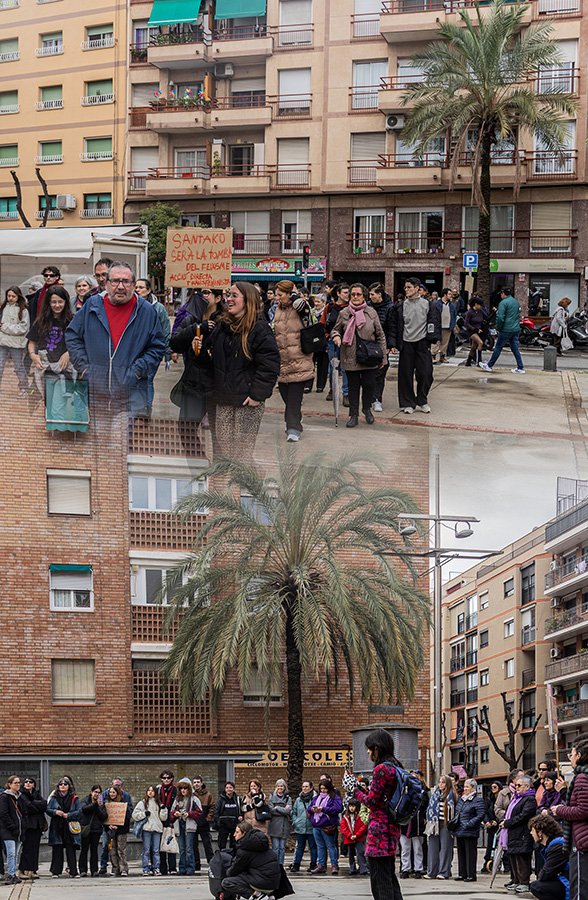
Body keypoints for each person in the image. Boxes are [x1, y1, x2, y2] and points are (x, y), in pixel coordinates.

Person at [66, 261, 165, 416]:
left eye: (125, 281)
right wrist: (84, 368)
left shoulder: (146, 311)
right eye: (115, 281)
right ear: (106, 283)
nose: (120, 286)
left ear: (133, 284)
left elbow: (157, 347)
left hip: (130, 395)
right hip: (96, 394)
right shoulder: (92, 306)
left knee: (125, 438)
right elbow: (72, 335)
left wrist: (137, 371)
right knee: (98, 438)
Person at [197, 282, 280, 462]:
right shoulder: (221, 325)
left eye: (234, 296)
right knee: (224, 452)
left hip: (246, 401)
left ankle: (252, 487)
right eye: (228, 295)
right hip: (222, 399)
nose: (229, 299)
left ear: (248, 300)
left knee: (241, 455)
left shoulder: (260, 328)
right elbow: (211, 358)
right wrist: (200, 348)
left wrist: (257, 395)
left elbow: (270, 364)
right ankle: (227, 489)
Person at [342, 728, 403, 899]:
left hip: (379, 832)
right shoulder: (396, 766)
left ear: (377, 748)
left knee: (380, 881)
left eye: (369, 748)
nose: (368, 752)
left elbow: (372, 801)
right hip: (391, 828)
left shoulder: (381, 769)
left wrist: (353, 789)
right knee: (390, 877)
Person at [331, 283, 387, 429]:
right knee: (353, 387)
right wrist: (336, 336)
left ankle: (366, 408)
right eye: (353, 294)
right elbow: (335, 330)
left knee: (369, 385)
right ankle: (353, 414)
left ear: (364, 296)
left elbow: (380, 335)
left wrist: (383, 357)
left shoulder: (371, 312)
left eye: (358, 294)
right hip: (350, 356)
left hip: (369, 357)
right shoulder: (344, 313)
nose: (355, 297)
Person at [390, 277, 440, 414]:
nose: (406, 290)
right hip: (406, 343)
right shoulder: (400, 306)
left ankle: (422, 400)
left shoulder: (428, 305)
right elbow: (395, 326)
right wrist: (393, 343)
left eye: (409, 287)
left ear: (418, 288)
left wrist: (433, 338)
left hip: (422, 342)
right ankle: (408, 403)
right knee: (405, 375)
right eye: (405, 287)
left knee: (426, 374)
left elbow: (434, 322)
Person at [272, 279, 315, 442]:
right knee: (285, 393)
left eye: (280, 294)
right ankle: (295, 416)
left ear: (290, 294)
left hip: (299, 359)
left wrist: (298, 298)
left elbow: (309, 318)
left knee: (294, 398)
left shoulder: (300, 306)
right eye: (276, 294)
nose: (277, 297)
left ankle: (293, 428)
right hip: (282, 361)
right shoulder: (277, 309)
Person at [549, 736, 588, 900]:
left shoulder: (581, 778)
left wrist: (560, 809)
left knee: (579, 885)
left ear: (579, 755)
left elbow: (583, 810)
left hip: (581, 839)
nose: (569, 758)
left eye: (571, 754)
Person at [221, 820, 282, 900]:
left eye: (237, 832)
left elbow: (233, 871)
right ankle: (269, 896)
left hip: (263, 884)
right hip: (274, 884)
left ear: (244, 833)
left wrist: (226, 871)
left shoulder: (245, 849)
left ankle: (258, 895)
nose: (234, 835)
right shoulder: (262, 844)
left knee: (226, 882)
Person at [499, 772, 537, 893]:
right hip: (513, 833)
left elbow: (523, 816)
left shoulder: (530, 799)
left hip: (522, 834)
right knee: (513, 857)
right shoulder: (516, 799)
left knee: (522, 858)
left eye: (519, 785)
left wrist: (508, 823)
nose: (517, 788)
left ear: (527, 786)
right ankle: (516, 880)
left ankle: (524, 882)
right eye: (516, 785)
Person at [479, 286, 525, 374]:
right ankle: (520, 367)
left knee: (498, 347)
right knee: (515, 348)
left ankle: (489, 365)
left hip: (506, 328)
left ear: (503, 294)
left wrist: (498, 328)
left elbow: (500, 317)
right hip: (515, 328)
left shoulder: (503, 303)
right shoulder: (515, 302)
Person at [135, 277, 171, 381]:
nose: (138, 290)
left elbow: (165, 330)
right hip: (135, 350)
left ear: (149, 290)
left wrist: (167, 353)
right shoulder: (130, 306)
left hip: (152, 350)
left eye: (141, 287)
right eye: (136, 287)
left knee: (147, 380)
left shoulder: (158, 308)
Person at [47, 776, 81, 878]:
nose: (62, 786)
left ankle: (73, 871)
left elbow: (79, 811)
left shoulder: (74, 797)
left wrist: (69, 815)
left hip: (69, 825)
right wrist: (55, 812)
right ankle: (56, 871)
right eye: (60, 784)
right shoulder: (54, 797)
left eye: (65, 784)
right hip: (57, 826)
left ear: (68, 786)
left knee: (71, 849)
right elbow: (47, 809)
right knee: (57, 849)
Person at [452, 778, 486, 883]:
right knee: (461, 853)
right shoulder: (462, 799)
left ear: (473, 788)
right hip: (460, 830)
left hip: (470, 830)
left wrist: (469, 824)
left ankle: (471, 874)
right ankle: (462, 873)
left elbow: (480, 814)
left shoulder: (478, 800)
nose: (465, 789)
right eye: (465, 786)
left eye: (467, 787)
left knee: (470, 853)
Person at [367, 282, 394, 412]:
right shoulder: (367, 306)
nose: (370, 296)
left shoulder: (390, 307)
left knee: (380, 372)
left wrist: (390, 345)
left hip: (382, 345)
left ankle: (377, 399)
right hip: (368, 344)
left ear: (379, 294)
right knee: (369, 373)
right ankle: (369, 398)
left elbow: (391, 328)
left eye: (372, 294)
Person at [424, 773, 457, 880]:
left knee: (445, 849)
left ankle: (443, 872)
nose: (440, 784)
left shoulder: (452, 795)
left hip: (446, 824)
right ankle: (432, 872)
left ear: (447, 783)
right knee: (432, 848)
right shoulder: (434, 794)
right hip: (433, 825)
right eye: (439, 782)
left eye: (443, 782)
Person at [529, 815, 569, 900]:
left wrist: (542, 874)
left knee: (537, 886)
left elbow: (546, 874)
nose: (531, 833)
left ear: (540, 833)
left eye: (532, 830)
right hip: (565, 880)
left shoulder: (557, 845)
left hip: (569, 883)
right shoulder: (550, 845)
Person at [308, 776, 343, 875]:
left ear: (329, 788)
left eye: (325, 788)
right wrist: (313, 809)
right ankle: (321, 865)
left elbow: (338, 808)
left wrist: (323, 809)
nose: (323, 790)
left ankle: (334, 865)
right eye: (321, 788)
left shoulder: (334, 797)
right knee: (320, 846)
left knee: (331, 846)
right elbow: (309, 808)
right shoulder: (316, 798)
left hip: (328, 826)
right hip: (316, 826)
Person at [323, 282, 350, 405]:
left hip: (347, 342)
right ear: (338, 293)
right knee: (332, 367)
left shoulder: (350, 307)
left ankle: (346, 393)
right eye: (345, 292)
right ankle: (332, 390)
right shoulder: (329, 307)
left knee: (345, 368)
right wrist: (327, 336)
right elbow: (323, 323)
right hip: (332, 342)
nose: (348, 295)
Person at [0, 285, 30, 396]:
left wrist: (5, 327)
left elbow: (23, 328)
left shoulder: (23, 310)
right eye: (9, 295)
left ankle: (24, 388)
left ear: (18, 296)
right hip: (2, 343)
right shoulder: (3, 308)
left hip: (16, 344)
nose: (11, 298)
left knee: (18, 367)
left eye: (13, 296)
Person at [399, 772, 429, 879]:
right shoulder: (403, 791)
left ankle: (418, 868)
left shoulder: (423, 792)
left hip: (417, 823)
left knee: (418, 848)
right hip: (405, 823)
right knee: (405, 848)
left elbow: (425, 806)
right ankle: (405, 868)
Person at [132, 784, 165, 876]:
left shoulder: (159, 803)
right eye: (149, 790)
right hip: (147, 828)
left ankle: (156, 868)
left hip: (157, 829)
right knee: (146, 850)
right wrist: (144, 814)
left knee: (156, 850)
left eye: (152, 790)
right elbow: (134, 815)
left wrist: (163, 809)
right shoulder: (142, 803)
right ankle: (145, 868)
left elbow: (163, 818)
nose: (150, 792)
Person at [18, 776, 46, 881]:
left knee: (35, 848)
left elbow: (44, 804)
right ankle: (22, 869)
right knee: (27, 848)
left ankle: (33, 869)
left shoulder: (36, 794)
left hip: (38, 825)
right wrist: (37, 806)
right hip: (28, 825)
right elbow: (28, 806)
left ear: (34, 784)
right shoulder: (22, 794)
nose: (28, 783)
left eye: (31, 782)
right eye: (26, 782)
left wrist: (36, 805)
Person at [171, 778, 201, 876]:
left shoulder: (194, 799)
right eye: (181, 788)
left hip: (190, 825)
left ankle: (190, 868)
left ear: (189, 788)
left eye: (185, 788)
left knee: (189, 848)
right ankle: (182, 868)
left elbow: (199, 812)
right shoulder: (177, 799)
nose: (183, 790)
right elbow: (171, 813)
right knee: (182, 849)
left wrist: (188, 814)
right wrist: (175, 814)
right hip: (179, 825)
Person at [79, 784, 107, 877]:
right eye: (95, 792)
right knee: (84, 850)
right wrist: (95, 805)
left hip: (96, 829)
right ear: (91, 792)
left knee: (94, 850)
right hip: (86, 828)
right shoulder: (85, 800)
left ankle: (94, 870)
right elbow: (84, 809)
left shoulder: (101, 803)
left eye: (99, 793)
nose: (97, 794)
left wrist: (98, 806)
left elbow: (103, 816)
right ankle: (82, 869)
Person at [290, 780, 317, 873]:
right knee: (299, 847)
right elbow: (294, 812)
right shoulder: (298, 800)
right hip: (300, 827)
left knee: (313, 847)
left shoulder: (315, 799)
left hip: (311, 827)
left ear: (311, 787)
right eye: (303, 787)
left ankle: (313, 864)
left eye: (306, 786)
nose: (304, 788)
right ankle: (296, 865)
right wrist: (295, 821)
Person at [0, 776, 23, 886]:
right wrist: (12, 826)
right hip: (8, 830)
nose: (18, 784)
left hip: (18, 831)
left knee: (15, 854)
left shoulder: (19, 797)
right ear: (9, 784)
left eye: (19, 783)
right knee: (11, 853)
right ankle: (10, 874)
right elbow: (3, 814)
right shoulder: (5, 796)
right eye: (15, 783)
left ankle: (13, 874)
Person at [104, 783, 131, 877]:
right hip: (110, 831)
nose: (112, 794)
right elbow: (103, 817)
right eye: (110, 792)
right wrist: (108, 826)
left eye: (113, 792)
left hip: (121, 830)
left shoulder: (123, 803)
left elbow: (128, 816)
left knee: (121, 850)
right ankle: (115, 868)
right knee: (112, 850)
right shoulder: (106, 803)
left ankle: (123, 869)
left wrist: (118, 825)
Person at [191, 776, 214, 872]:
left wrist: (207, 819)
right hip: (193, 823)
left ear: (201, 783)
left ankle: (212, 864)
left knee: (207, 845)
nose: (196, 784)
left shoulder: (208, 795)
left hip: (204, 824)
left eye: (198, 782)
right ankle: (196, 865)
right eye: (194, 782)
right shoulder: (191, 795)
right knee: (193, 845)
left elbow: (212, 807)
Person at [157, 770, 177, 875]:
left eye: (168, 778)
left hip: (171, 821)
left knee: (170, 844)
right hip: (160, 821)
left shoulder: (175, 790)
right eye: (164, 778)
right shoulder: (158, 790)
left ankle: (173, 868)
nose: (166, 780)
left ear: (172, 778)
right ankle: (163, 869)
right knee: (161, 846)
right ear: (161, 779)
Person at [340, 799, 368, 876]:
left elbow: (363, 826)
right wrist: (349, 835)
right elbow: (343, 827)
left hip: (358, 838)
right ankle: (352, 868)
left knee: (360, 853)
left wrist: (356, 835)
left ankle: (363, 868)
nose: (351, 808)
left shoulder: (360, 816)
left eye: (353, 806)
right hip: (349, 838)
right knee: (351, 854)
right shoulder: (345, 816)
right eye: (350, 806)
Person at [268, 778, 292, 865]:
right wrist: (283, 809)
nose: (280, 787)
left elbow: (288, 811)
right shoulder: (271, 796)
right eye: (278, 786)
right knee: (275, 847)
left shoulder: (288, 798)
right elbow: (271, 810)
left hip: (284, 826)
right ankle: (274, 864)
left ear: (284, 787)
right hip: (274, 825)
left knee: (282, 847)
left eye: (281, 786)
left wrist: (277, 808)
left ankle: (280, 864)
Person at [214, 782, 242, 851]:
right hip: (223, 825)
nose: (228, 789)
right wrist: (218, 822)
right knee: (222, 844)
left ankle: (233, 859)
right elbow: (216, 811)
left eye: (230, 787)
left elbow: (242, 810)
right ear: (225, 789)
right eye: (227, 788)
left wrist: (241, 816)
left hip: (234, 825)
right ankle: (222, 859)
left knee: (234, 844)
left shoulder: (238, 799)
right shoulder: (221, 799)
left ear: (234, 789)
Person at [481, 781, 502, 873]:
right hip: (491, 826)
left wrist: (497, 821)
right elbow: (484, 812)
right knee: (490, 845)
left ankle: (505, 864)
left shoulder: (502, 799)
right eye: (492, 787)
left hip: (499, 825)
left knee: (501, 845)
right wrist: (487, 821)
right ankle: (487, 863)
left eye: (495, 787)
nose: (493, 789)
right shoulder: (489, 800)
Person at [432, 288, 457, 365]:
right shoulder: (437, 304)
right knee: (436, 341)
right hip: (438, 326)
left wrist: (452, 325)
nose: (451, 296)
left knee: (445, 343)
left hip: (448, 326)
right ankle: (433, 356)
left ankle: (442, 356)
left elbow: (454, 315)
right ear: (445, 294)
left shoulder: (452, 305)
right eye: (449, 294)